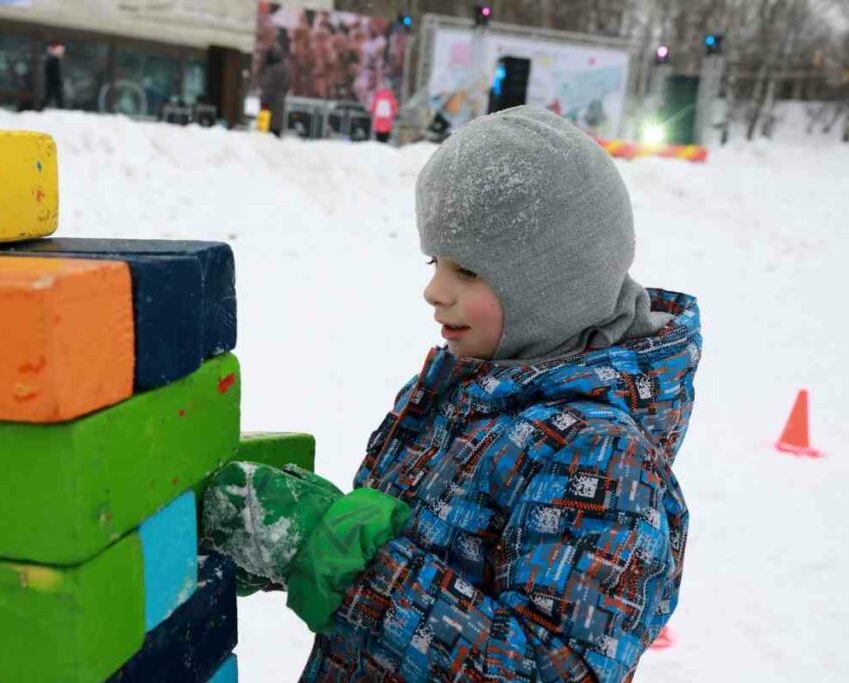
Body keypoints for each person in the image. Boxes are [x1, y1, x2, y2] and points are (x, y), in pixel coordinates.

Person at [203, 105, 699, 681]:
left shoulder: (603, 459)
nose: (434, 290)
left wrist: (335, 556)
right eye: (435, 260)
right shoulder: (464, 390)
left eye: (467, 271)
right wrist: (295, 546)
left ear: (553, 286)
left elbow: (544, 670)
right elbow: (413, 553)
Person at [259, 44, 291, 138]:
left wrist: (264, 99)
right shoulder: (285, 68)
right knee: (276, 124)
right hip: (280, 100)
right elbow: (287, 84)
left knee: (267, 127)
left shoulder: (272, 69)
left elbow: (267, 86)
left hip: (269, 101)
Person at [41, 42, 66, 110]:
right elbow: (53, 74)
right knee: (51, 98)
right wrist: (57, 82)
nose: (62, 54)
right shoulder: (52, 61)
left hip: (53, 84)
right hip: (52, 84)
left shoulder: (53, 60)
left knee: (53, 98)